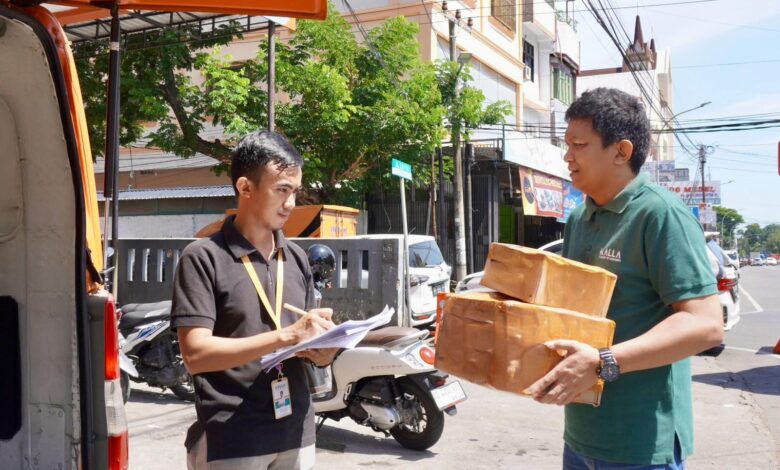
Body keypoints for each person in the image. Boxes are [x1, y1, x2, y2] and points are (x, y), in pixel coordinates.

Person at [526, 88, 724, 469]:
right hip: (582, 435)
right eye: (566, 145)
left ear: (621, 151)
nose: (567, 156)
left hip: (641, 444)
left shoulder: (660, 214)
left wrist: (603, 362)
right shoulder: (580, 218)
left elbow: (706, 325)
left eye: (579, 144)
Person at [171, 130, 338, 469]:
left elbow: (309, 352)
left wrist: (325, 350)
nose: (291, 203)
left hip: (296, 430)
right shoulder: (203, 257)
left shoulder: (295, 257)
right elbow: (196, 355)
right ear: (245, 187)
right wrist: (287, 336)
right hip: (234, 435)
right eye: (281, 190)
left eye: (294, 191)